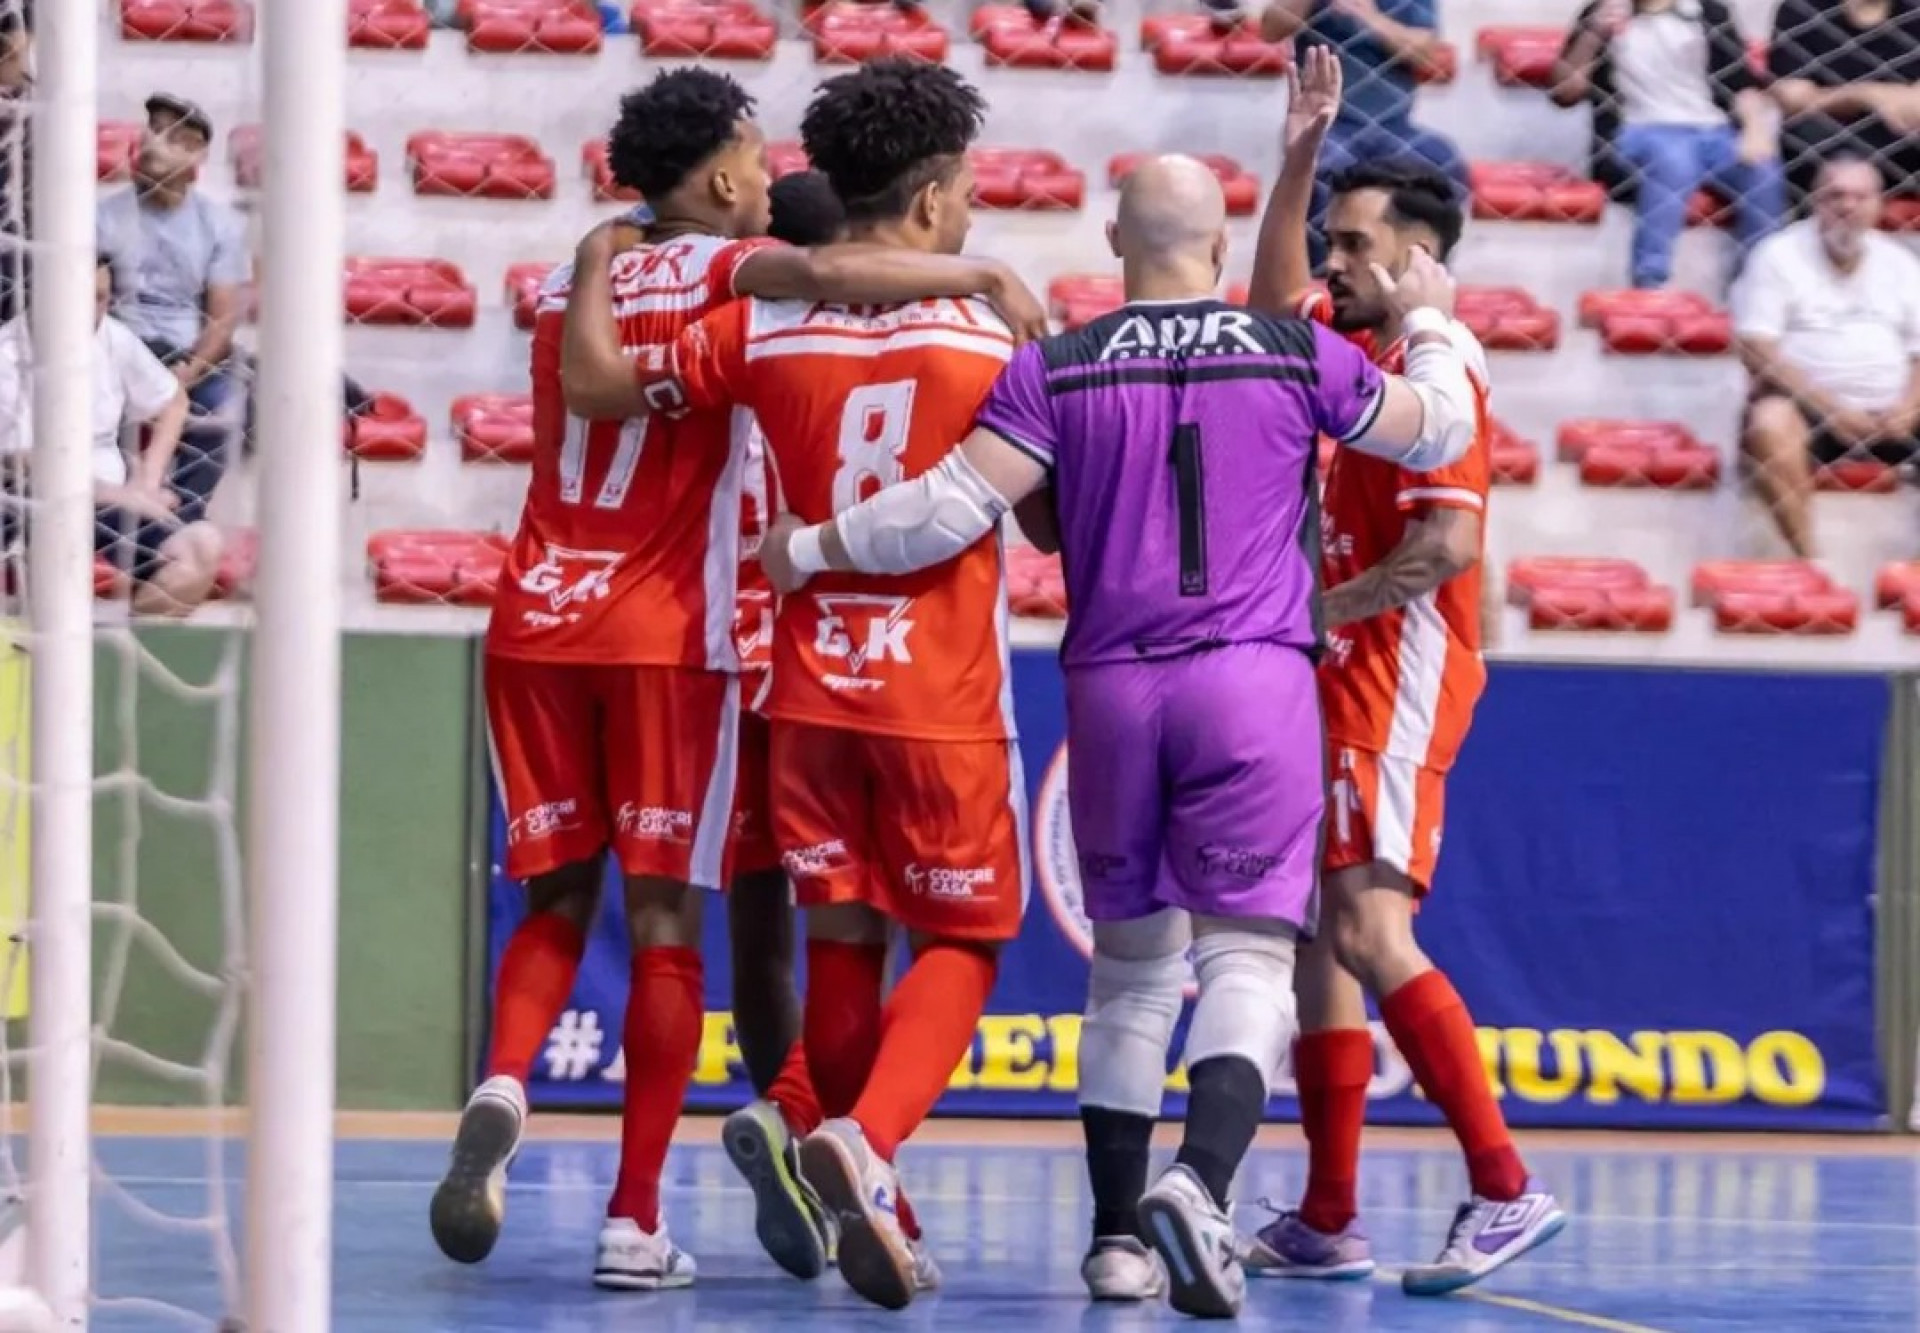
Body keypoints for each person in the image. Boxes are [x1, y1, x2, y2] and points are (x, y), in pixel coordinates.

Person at [757, 141, 1486, 1315]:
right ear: (1219, 245)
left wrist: (803, 548)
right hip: (1252, 680)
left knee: (1132, 979)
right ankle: (1199, 1186)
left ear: (1111, 245)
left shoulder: (1057, 366)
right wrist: (1439, 322)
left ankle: (1112, 1241)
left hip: (1111, 687)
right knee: (1246, 958)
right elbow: (1436, 431)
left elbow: (942, 514)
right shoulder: (1296, 346)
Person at [433, 66, 1045, 1292]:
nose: (773, 185)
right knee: (741, 934)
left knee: (667, 915)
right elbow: (839, 293)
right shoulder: (788, 288)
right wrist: (983, 276)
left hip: (591, 626)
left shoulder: (612, 288)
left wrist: (605, 255)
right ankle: (714, 1184)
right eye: (759, 165)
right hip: (733, 641)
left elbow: (603, 386)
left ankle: (514, 1082)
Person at [595, 58, 1023, 1311]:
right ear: (937, 201)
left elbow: (612, 382)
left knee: (843, 935)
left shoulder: (757, 323)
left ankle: (840, 1149)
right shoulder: (988, 330)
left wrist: (589, 273)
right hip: (937, 689)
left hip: (806, 684)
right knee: (964, 937)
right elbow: (1042, 512)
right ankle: (863, 1142)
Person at [1237, 45, 1564, 1296]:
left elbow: (1447, 548)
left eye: (1359, 244)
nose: (1336, 260)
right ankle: (1328, 1213)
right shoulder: (1342, 339)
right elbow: (1269, 312)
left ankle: (1504, 1182)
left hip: (1396, 671)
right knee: (1323, 932)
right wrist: (1301, 156)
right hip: (1340, 669)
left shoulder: (1441, 364)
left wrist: (1323, 608)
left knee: (1369, 925)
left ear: (1422, 259)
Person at [0, 253, 223, 616]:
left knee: (201, 547)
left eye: (101, 297)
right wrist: (121, 495)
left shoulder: (112, 338)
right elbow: (25, 462)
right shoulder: (7, 353)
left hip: (110, 504)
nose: (92, 310)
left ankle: (125, 655)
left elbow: (173, 402)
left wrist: (148, 482)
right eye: (79, 297)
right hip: (21, 501)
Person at [1735, 156, 1920, 558]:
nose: (1847, 206)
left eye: (1860, 197)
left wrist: (1908, 406)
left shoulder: (1901, 263)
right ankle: (1809, 561)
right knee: (1769, 423)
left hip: (1894, 414)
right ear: (1815, 201)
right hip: (1810, 410)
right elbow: (1756, 347)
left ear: (1879, 205)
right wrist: (1831, 408)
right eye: (1835, 195)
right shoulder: (1778, 255)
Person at [1549, 0, 1783, 290]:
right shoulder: (1602, 11)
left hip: (1712, 130)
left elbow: (1742, 85)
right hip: (1638, 130)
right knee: (1674, 159)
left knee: (1764, 172)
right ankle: (1650, 283)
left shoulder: (1708, 12)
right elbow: (1564, 93)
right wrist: (1594, 34)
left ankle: (1760, 284)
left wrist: (1755, 131)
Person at [96, 93, 248, 526]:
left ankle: (170, 522)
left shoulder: (217, 225)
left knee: (226, 406)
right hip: (118, 348)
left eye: (172, 136)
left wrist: (190, 371)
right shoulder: (103, 216)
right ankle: (112, 511)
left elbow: (223, 318)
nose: (153, 141)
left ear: (195, 154)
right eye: (152, 128)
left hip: (181, 353)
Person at [1244, 0, 1466, 272]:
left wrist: (1369, 17)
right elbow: (1270, 28)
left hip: (1395, 127)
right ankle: (1324, 278)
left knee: (1443, 159)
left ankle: (1425, 273)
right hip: (1328, 123)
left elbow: (1427, 53)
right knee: (1325, 163)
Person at [1768, 0, 1920, 205]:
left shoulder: (1913, 13)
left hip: (1899, 136)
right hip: (1827, 134)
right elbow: (1792, 98)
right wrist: (1865, 95)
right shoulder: (1803, 8)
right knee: (1806, 135)